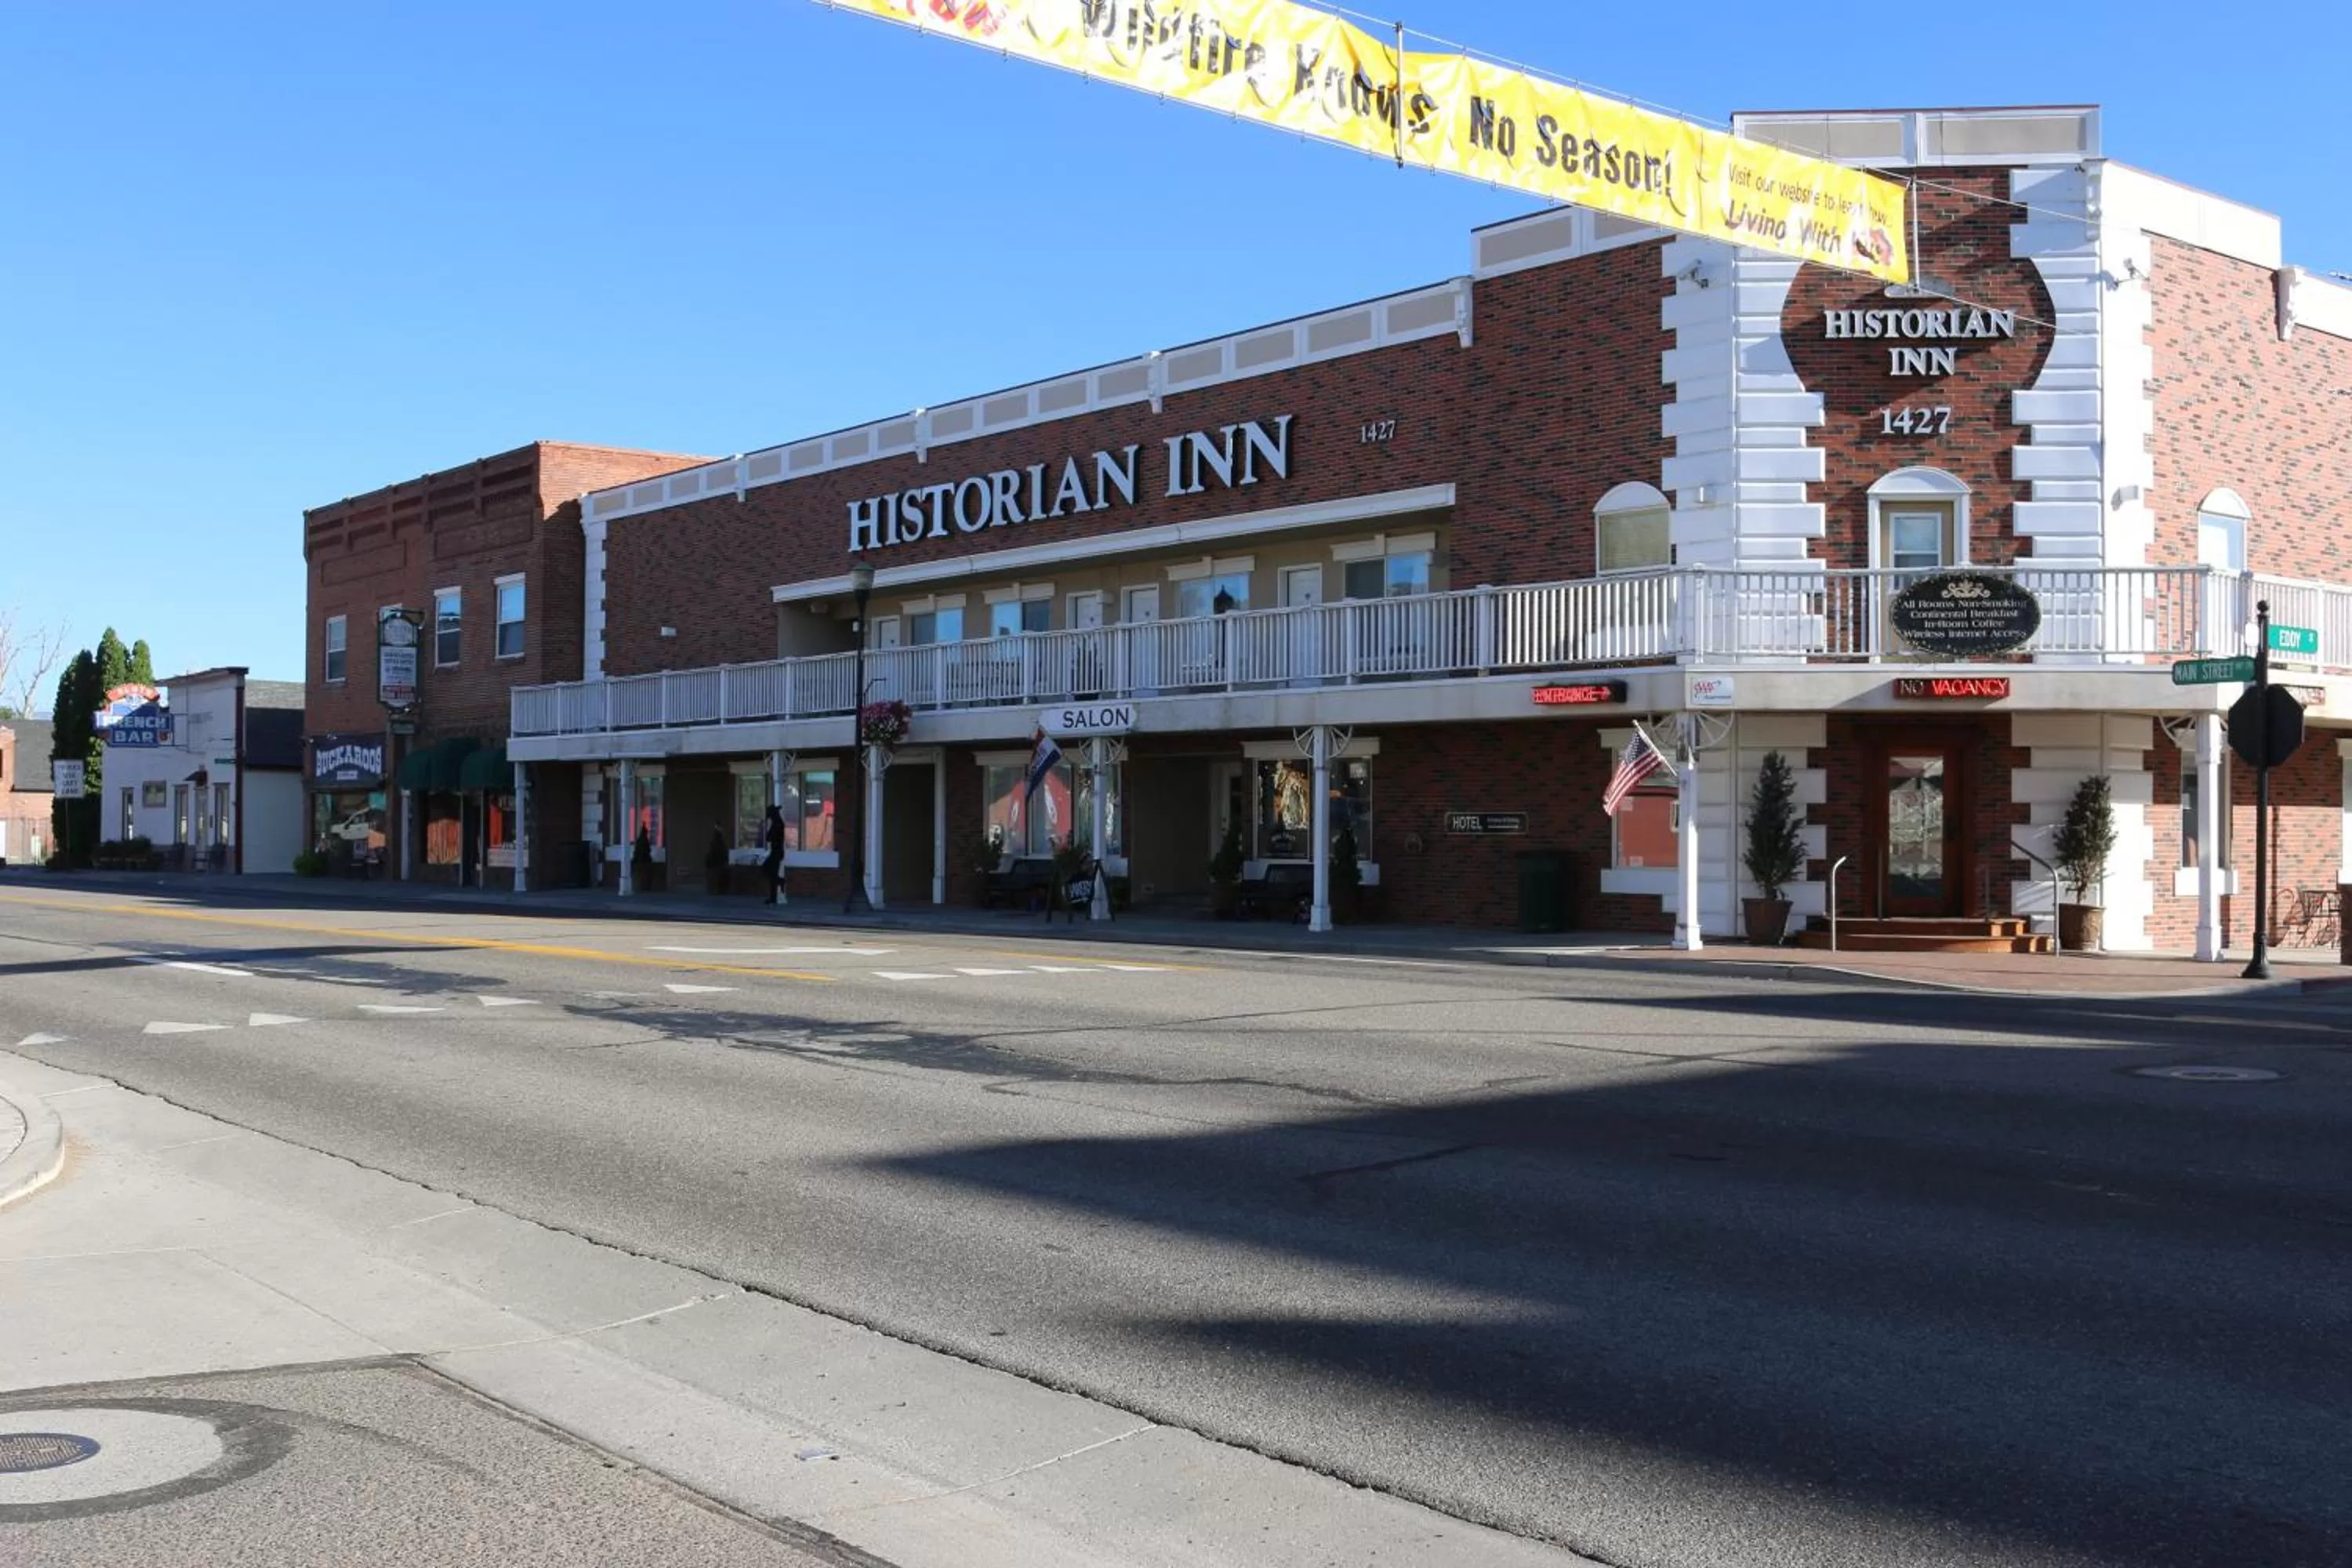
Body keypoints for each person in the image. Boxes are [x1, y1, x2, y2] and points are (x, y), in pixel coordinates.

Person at [761, 804, 787, 906]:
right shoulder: (778, 823)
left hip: (777, 852)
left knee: (766, 869)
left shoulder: (777, 824)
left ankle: (780, 882)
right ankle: (773, 897)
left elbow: (769, 838)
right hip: (776, 852)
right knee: (772, 873)